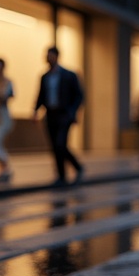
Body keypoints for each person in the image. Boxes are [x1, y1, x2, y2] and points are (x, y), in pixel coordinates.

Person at [34, 46, 84, 186]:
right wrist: (36, 110)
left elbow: (79, 96)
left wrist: (72, 111)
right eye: (47, 56)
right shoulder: (45, 76)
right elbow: (41, 96)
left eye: (51, 55)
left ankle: (68, 172)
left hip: (64, 115)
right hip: (50, 114)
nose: (49, 58)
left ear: (57, 56)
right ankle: (65, 173)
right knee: (55, 146)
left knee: (60, 143)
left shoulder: (69, 75)